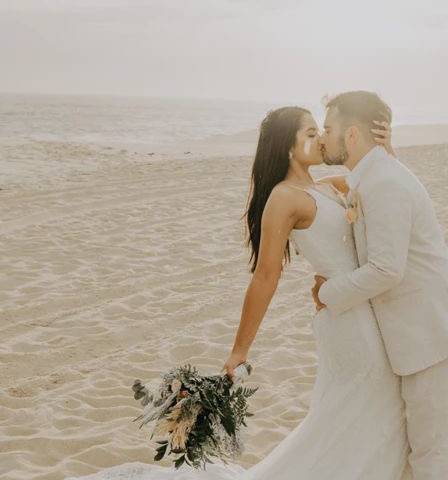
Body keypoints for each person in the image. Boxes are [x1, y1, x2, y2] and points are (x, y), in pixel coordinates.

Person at [66, 106, 410, 480]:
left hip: (360, 305)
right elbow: (265, 277)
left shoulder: (330, 186)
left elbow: (388, 188)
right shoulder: (284, 198)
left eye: (320, 130)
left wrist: (387, 148)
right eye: (310, 133)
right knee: (358, 412)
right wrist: (239, 350)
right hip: (347, 323)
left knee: (362, 414)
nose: (322, 138)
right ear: (288, 148)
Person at [313, 91, 448, 479]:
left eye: (328, 128)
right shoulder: (375, 174)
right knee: (416, 450)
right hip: (416, 334)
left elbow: (387, 269)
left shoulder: (384, 182)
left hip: (429, 335)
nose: (323, 138)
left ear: (352, 135)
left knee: (430, 454)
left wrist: (327, 293)